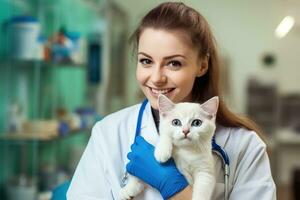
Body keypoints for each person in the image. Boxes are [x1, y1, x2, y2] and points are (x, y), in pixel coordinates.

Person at [67, 2, 276, 200]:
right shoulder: (109, 133)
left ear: (202, 65)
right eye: (146, 61)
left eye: (174, 63)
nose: (157, 77)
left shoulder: (244, 146)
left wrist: (176, 189)